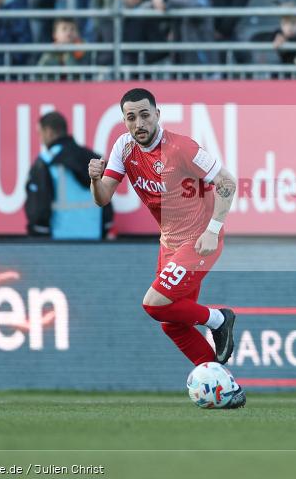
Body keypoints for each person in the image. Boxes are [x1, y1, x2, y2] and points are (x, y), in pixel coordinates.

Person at [88, 88, 245, 408]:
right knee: (172, 323)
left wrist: (214, 229)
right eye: (131, 118)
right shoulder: (123, 147)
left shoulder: (183, 147)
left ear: (158, 115)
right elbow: (103, 197)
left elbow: (228, 182)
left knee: (153, 303)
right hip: (169, 244)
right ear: (124, 121)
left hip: (200, 241)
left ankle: (219, 319)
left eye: (145, 115)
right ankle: (226, 387)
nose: (139, 123)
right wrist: (94, 179)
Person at [25, 111, 113, 239]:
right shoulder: (95, 159)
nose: (41, 139)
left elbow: (38, 210)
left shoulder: (45, 162)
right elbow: (106, 202)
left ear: (49, 132)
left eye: (40, 133)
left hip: (59, 245)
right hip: (95, 242)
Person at [151, 0, 216, 64]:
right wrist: (155, 2)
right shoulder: (172, 2)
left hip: (203, 68)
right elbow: (147, 6)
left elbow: (197, 7)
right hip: (179, 64)